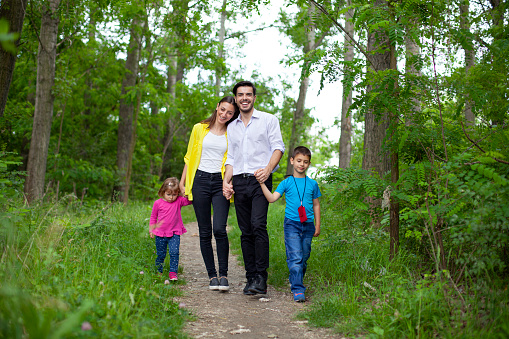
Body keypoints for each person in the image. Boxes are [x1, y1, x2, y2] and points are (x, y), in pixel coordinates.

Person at [222, 81, 285, 295]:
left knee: (258, 225)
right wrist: (226, 181)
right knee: (245, 230)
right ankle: (250, 277)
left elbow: (278, 147)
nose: (244, 98)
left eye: (248, 94)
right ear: (236, 98)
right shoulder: (232, 126)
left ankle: (261, 277)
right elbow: (231, 157)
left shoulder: (268, 120)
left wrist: (267, 170)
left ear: (254, 98)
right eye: (240, 95)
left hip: (260, 180)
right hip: (239, 181)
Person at [180, 96, 239, 291]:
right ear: (217, 107)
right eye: (222, 110)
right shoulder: (199, 128)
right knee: (204, 231)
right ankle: (212, 276)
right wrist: (183, 182)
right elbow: (189, 157)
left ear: (233, 115)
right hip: (200, 181)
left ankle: (224, 275)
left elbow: (233, 160)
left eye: (229, 112)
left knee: (220, 229)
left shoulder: (233, 133)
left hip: (220, 182)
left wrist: (228, 183)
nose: (224, 114)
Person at [257, 146, 321, 302]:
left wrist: (317, 226)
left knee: (304, 256)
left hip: (308, 224)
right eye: (299, 161)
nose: (302, 164)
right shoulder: (286, 182)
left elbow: (316, 205)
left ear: (309, 163)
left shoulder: (312, 184)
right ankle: (298, 289)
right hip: (292, 224)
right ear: (292, 161)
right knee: (295, 257)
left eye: (305, 162)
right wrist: (261, 184)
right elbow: (272, 198)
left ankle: (295, 278)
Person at [149, 177, 192, 281]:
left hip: (174, 233)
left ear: (178, 193)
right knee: (161, 254)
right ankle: (158, 271)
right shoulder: (157, 203)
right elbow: (153, 217)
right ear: (163, 192)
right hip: (160, 234)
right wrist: (151, 229)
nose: (171, 197)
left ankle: (173, 272)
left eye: (174, 194)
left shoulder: (179, 201)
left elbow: (190, 201)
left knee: (174, 252)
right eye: (168, 194)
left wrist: (185, 192)